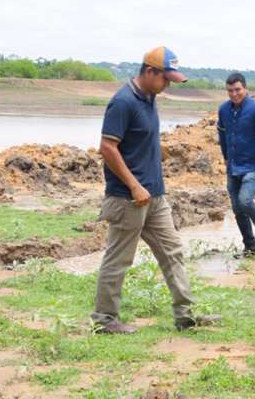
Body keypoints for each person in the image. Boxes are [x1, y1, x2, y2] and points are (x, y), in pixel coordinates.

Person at [92, 46, 219, 334]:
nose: (167, 86)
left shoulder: (150, 98)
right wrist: (135, 185)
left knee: (172, 251)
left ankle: (185, 315)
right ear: (150, 72)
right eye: (166, 79)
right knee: (119, 259)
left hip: (155, 196)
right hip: (128, 198)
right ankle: (104, 320)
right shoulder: (123, 102)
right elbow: (107, 148)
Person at [217, 72, 255, 257]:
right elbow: (222, 134)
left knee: (245, 201)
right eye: (230, 91)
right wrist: (226, 156)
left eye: (237, 90)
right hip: (233, 166)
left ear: (245, 88)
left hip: (253, 165)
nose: (234, 94)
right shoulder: (224, 110)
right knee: (237, 208)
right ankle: (250, 247)